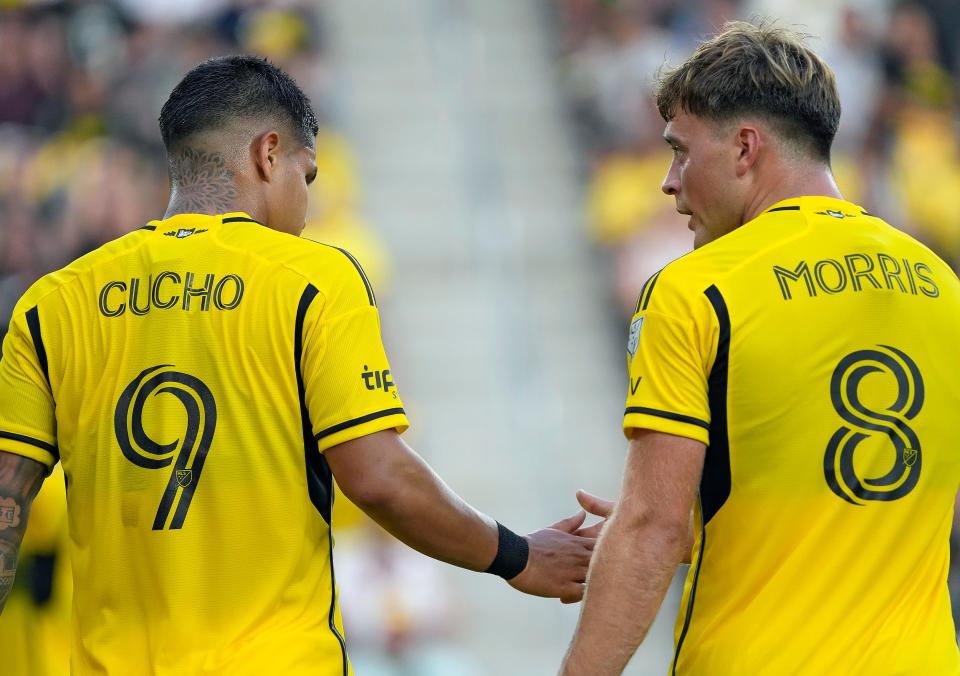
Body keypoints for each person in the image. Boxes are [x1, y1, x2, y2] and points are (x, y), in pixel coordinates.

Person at [0, 55, 596, 675]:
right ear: (268, 154)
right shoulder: (313, 278)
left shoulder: (54, 302)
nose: (306, 207)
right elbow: (377, 479)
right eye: (306, 177)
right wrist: (516, 555)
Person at [561, 21, 960, 675]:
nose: (668, 181)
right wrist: (707, 528)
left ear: (745, 148)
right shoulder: (942, 283)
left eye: (681, 153)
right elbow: (880, 501)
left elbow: (650, 529)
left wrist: (651, 534)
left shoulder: (698, 288)